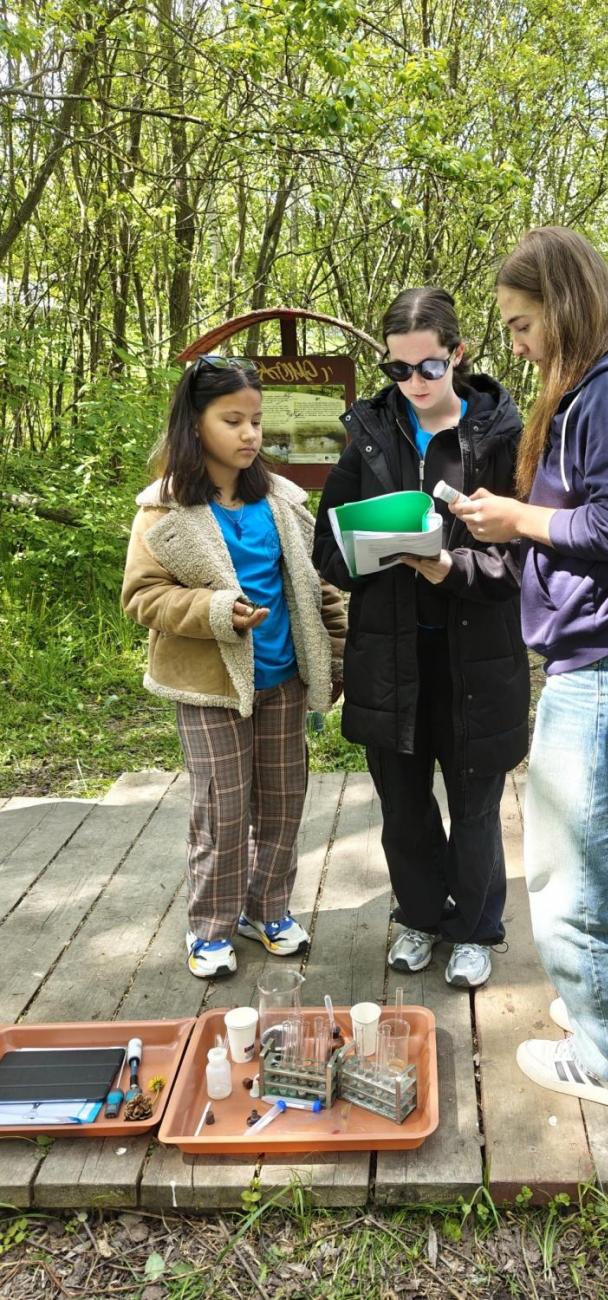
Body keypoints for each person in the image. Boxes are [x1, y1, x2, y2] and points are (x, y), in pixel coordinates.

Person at [451, 228, 608, 1106]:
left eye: (522, 326)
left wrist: (519, 520)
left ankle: (606, 1059)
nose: (516, 347)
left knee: (578, 873)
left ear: (561, 305)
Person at [313, 287, 529, 989]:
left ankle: (474, 928)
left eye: (429, 367)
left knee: (473, 806)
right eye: (398, 369)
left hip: (478, 655)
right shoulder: (370, 435)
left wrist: (449, 565)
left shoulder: (503, 437)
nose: (414, 383)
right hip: (389, 654)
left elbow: (526, 562)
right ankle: (418, 916)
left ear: (459, 354)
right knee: (403, 805)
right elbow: (326, 552)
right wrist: (373, 550)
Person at [122, 355, 346, 978]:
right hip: (210, 687)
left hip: (285, 679)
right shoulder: (163, 511)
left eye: (256, 420)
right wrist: (217, 610)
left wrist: (338, 651)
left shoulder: (282, 500)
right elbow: (142, 597)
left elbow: (316, 588)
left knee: (282, 802)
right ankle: (210, 927)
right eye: (232, 421)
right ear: (196, 427)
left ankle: (267, 908)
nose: (250, 434)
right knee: (222, 809)